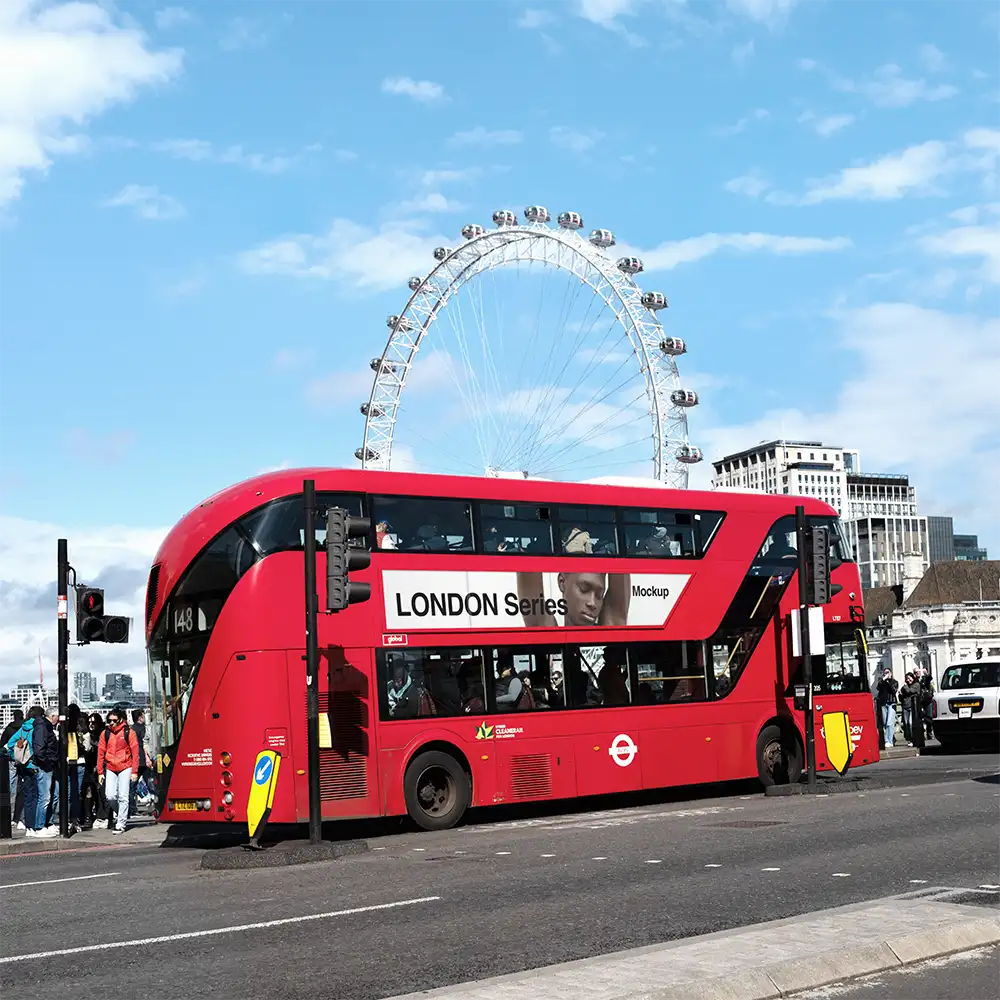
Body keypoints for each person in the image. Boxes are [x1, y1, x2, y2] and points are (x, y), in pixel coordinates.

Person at [96, 709, 140, 835]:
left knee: (123, 796)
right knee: (110, 795)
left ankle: (121, 824)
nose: (111, 723)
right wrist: (100, 772)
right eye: (109, 721)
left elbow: (135, 753)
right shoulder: (105, 733)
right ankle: (122, 813)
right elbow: (100, 753)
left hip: (126, 766)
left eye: (114, 721)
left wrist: (134, 771)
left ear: (121, 719)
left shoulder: (129, 732)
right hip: (110, 767)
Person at [1, 709, 24, 828]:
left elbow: (2, 742)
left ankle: (11, 799)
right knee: (22, 782)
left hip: (12, 758)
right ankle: (19, 812)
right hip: (24, 759)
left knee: (12, 780)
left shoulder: (9, 728)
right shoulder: (25, 727)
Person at [875, 668, 899, 749]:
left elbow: (893, 690)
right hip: (883, 703)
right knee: (885, 723)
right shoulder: (882, 682)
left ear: (891, 673)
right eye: (885, 673)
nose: (886, 674)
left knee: (889, 723)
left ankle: (889, 741)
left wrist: (888, 682)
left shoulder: (894, 682)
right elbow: (878, 688)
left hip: (892, 703)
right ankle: (891, 738)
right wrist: (883, 680)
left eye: (888, 672)